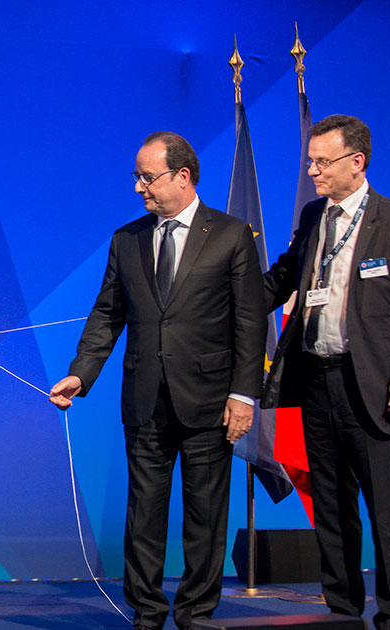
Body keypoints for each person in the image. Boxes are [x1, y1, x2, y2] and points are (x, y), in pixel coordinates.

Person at [49, 132, 265, 630]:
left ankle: (196, 614)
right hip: (145, 398)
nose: (138, 187)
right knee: (143, 513)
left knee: (205, 515)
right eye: (137, 177)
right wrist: (81, 374)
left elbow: (250, 322)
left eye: (148, 177)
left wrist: (243, 394)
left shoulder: (231, 234)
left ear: (182, 176)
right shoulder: (126, 239)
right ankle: (146, 612)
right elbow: (107, 314)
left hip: (210, 401)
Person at [263, 114, 390, 630]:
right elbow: (283, 277)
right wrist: (223, 295)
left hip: (372, 385)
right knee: (329, 503)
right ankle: (343, 611)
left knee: (386, 510)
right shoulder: (313, 216)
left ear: (357, 162)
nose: (313, 171)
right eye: (310, 161)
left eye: (322, 162)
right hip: (316, 380)